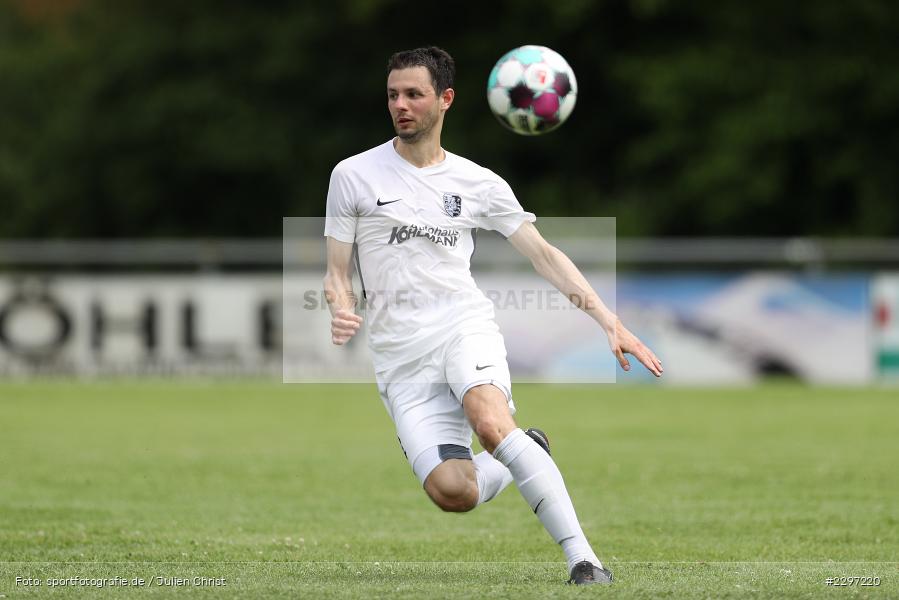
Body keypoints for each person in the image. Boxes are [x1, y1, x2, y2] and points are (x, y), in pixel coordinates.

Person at [323, 46, 662, 586]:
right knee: (453, 492)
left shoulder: (478, 182)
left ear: (445, 99)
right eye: (393, 95)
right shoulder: (353, 175)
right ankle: (529, 449)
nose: (400, 105)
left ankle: (584, 560)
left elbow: (543, 255)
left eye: (414, 94)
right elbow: (337, 273)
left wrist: (607, 320)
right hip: (400, 359)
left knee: (490, 423)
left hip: (463, 328)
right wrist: (342, 308)